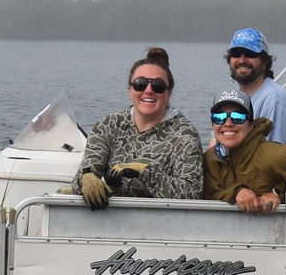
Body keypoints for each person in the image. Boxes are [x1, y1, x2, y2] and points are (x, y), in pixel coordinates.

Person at [72, 46, 204, 208]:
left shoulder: (185, 134)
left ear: (169, 93)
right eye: (140, 84)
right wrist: (87, 179)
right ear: (130, 90)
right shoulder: (107, 126)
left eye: (158, 86)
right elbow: (79, 182)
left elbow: (192, 193)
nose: (148, 91)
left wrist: (144, 172)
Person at [202, 89, 286, 213]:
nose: (228, 123)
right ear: (213, 125)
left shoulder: (276, 156)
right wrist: (236, 192)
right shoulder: (210, 159)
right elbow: (208, 192)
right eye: (219, 117)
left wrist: (278, 194)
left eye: (238, 117)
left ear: (250, 125)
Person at [221, 27, 286, 149]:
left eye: (250, 54)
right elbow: (215, 145)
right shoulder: (233, 98)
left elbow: (268, 157)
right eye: (236, 53)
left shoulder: (275, 98)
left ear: (265, 62)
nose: (242, 60)